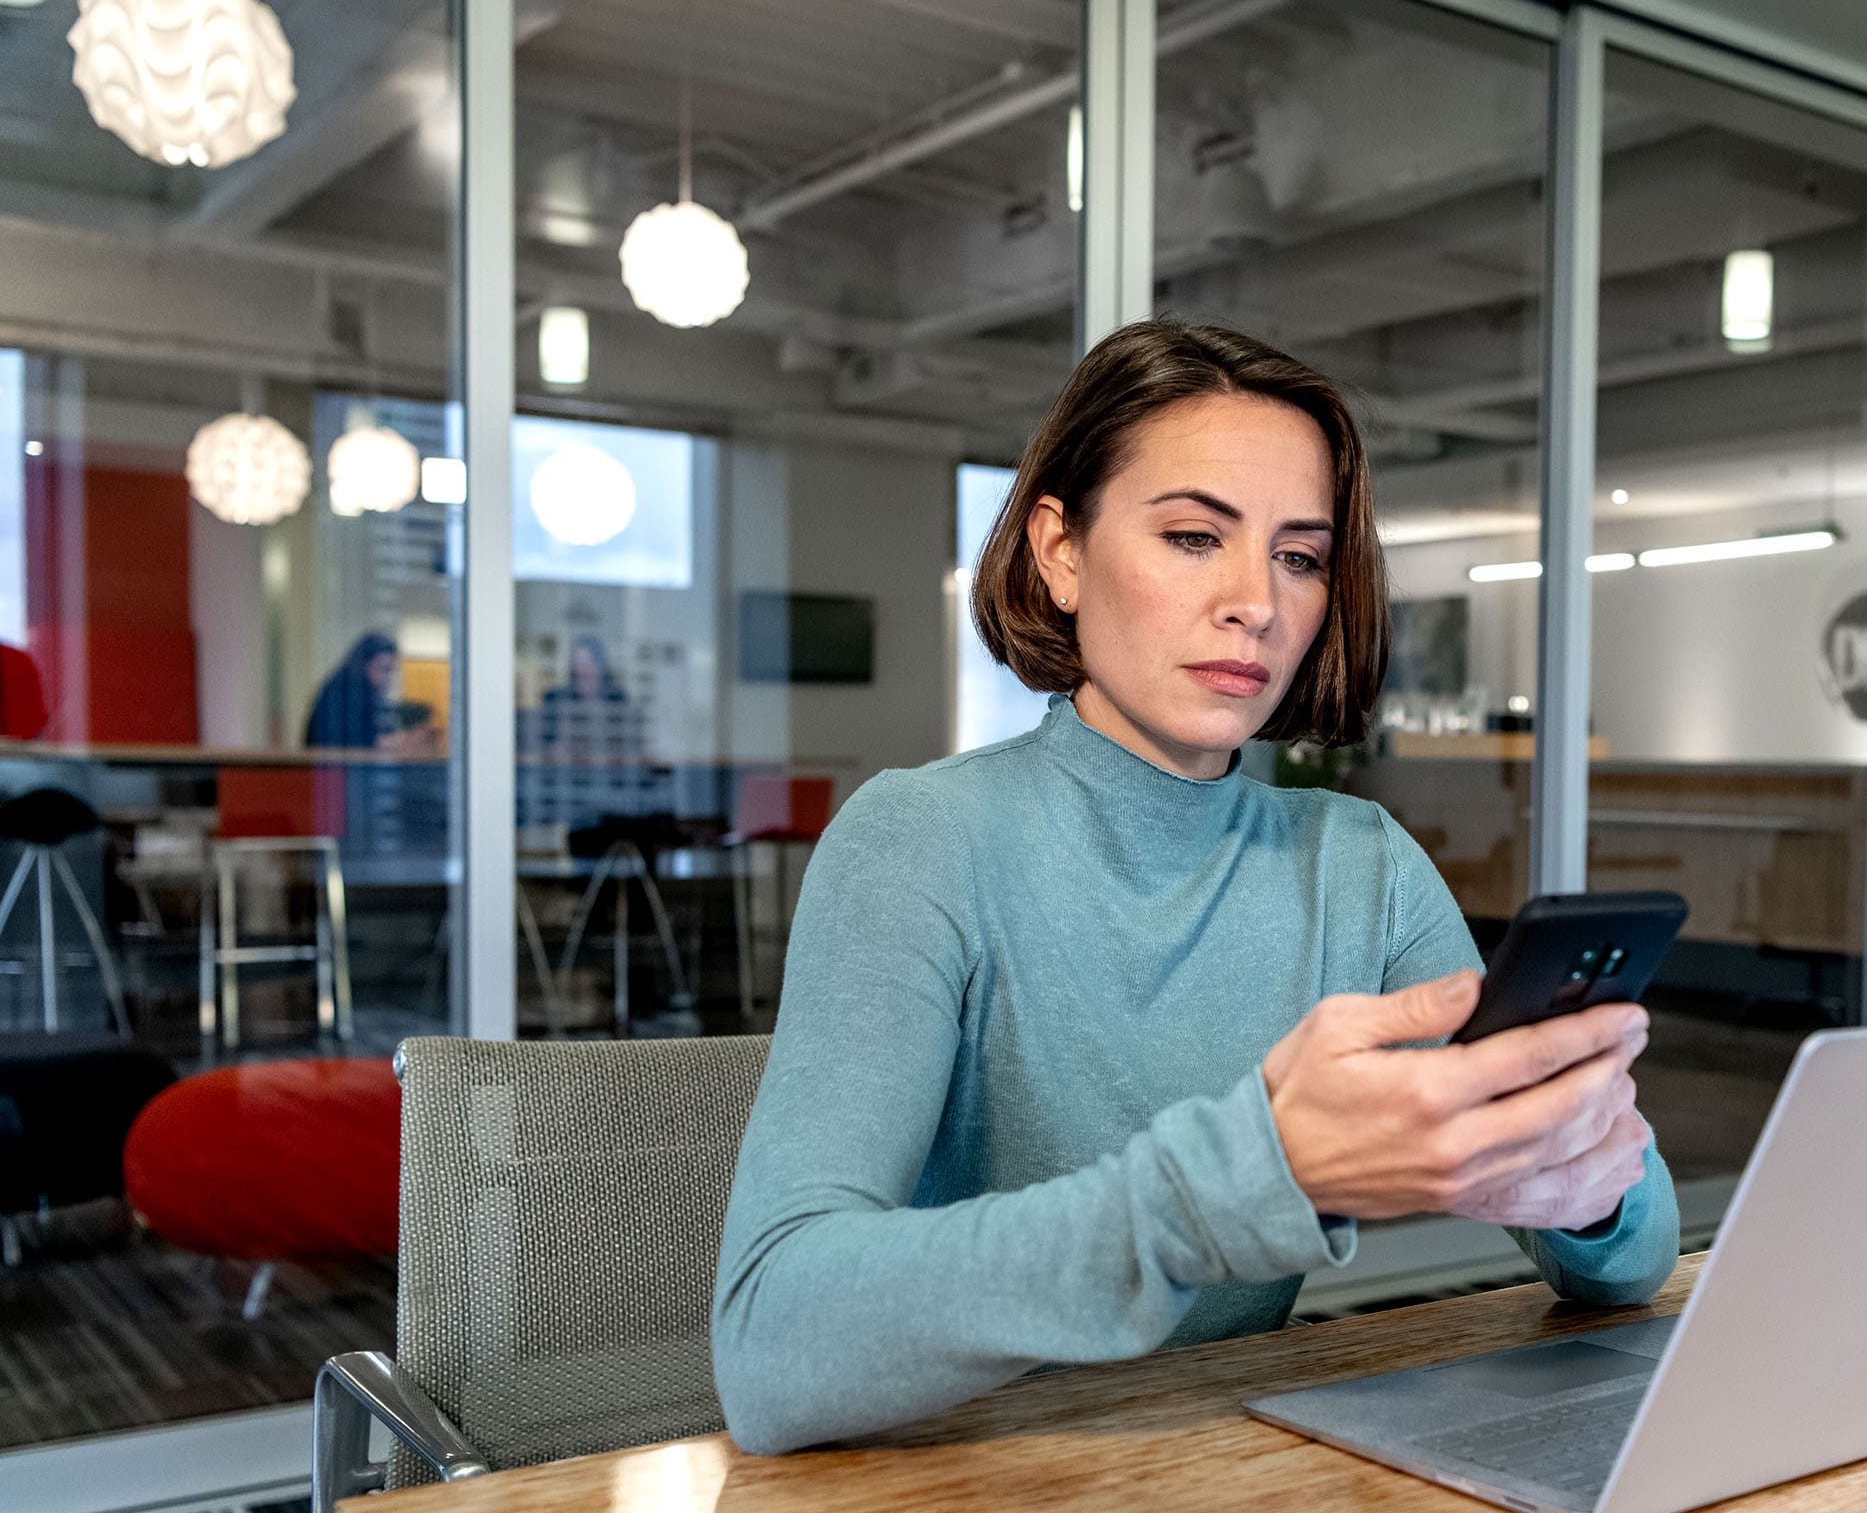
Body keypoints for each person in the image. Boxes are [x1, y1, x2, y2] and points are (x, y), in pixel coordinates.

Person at [713, 320, 1676, 1454]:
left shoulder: (1354, 861)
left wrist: (1575, 1163)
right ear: (1059, 553)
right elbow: (772, 1344)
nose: (1254, 602)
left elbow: (1637, 1256)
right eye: (1189, 536)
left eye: (1299, 556)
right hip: (956, 1495)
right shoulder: (920, 840)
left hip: (1226, 1487)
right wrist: (1256, 1172)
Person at [303, 632, 400, 750]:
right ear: (364, 665)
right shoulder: (343, 692)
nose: (389, 679)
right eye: (384, 670)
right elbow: (347, 742)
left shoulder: (371, 697)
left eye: (391, 672)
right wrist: (394, 742)